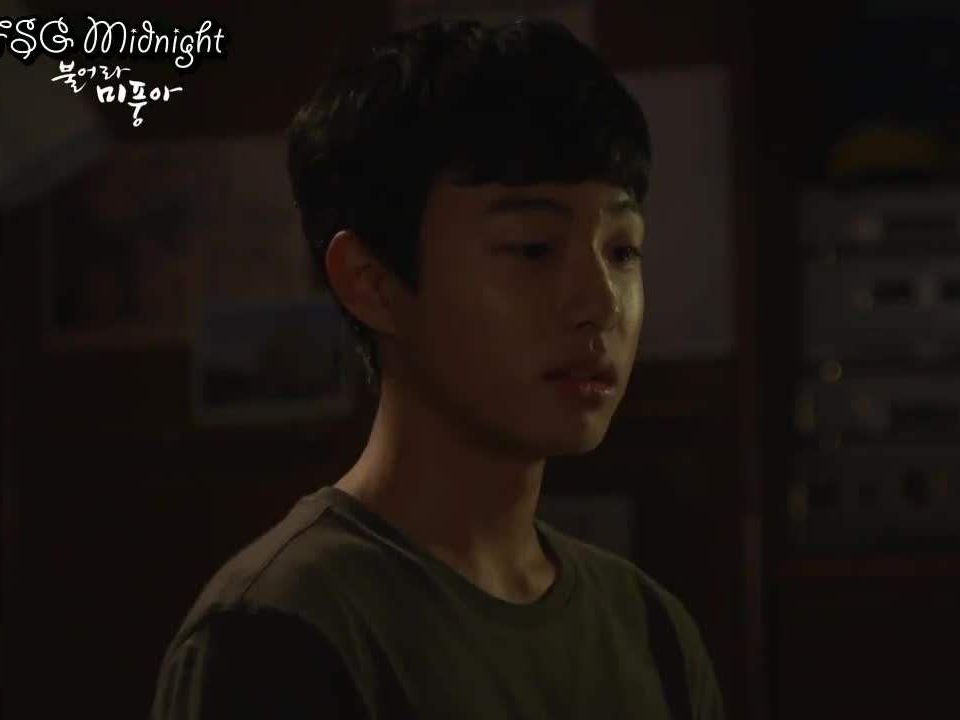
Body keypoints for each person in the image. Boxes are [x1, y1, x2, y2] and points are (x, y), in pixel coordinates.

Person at [150, 17, 724, 720]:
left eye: (622, 250)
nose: (600, 303)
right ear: (372, 282)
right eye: (533, 248)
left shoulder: (651, 632)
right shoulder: (281, 631)